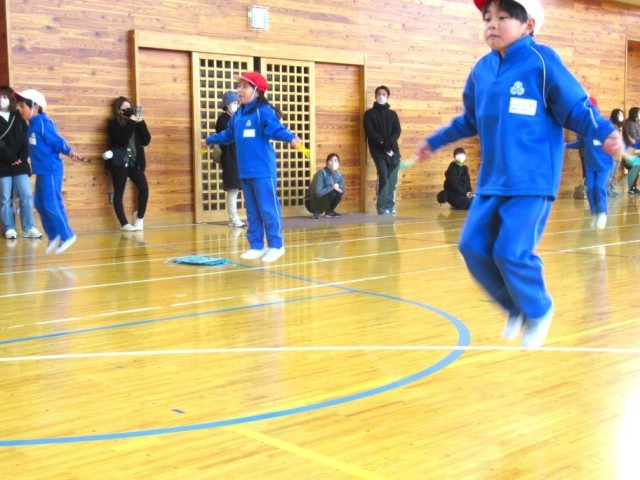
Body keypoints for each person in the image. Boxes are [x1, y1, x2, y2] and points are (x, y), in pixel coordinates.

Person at [415, 0, 624, 348]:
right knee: (471, 247)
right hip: (493, 181)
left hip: (532, 181)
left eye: (502, 17)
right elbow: (469, 119)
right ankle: (514, 307)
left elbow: (575, 107)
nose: (491, 24)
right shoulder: (481, 70)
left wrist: (605, 130)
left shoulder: (541, 61)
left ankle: (539, 308)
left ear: (528, 25)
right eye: (487, 18)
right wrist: (435, 141)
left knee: (511, 251)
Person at [202, 72, 302, 263]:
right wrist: (209, 140)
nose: (239, 90)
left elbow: (275, 128)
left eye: (244, 86)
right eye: (238, 86)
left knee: (268, 209)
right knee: (252, 211)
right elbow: (228, 135)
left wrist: (290, 137)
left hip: (263, 171)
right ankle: (256, 245)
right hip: (245, 171)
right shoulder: (238, 115)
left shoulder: (262, 111)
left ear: (257, 91)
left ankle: (276, 245)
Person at [14, 88, 84, 254]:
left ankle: (67, 235)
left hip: (51, 170)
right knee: (39, 203)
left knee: (51, 203)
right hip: (42, 171)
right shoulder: (32, 125)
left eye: (23, 106)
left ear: (36, 107)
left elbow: (57, 141)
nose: (20, 109)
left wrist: (69, 151)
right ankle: (54, 236)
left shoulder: (44, 123)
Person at [0, 86, 42, 240]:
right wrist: (11, 158)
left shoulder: (18, 117)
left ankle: (28, 227)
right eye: (0, 97)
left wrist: (22, 157)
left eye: (5, 97)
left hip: (20, 165)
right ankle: (9, 228)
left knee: (26, 195)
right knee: (5, 198)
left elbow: (27, 139)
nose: (2, 100)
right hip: (3, 165)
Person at [566, 97, 614, 229]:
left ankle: (603, 213)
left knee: (599, 186)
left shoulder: (605, 126)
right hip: (590, 164)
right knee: (591, 188)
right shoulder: (583, 129)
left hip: (604, 164)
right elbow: (581, 143)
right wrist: (565, 145)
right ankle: (595, 214)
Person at [106, 96, 151, 232]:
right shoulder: (113, 123)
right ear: (119, 110)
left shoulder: (136, 122)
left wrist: (141, 123)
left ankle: (139, 218)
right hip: (120, 162)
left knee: (144, 189)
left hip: (135, 162)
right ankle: (124, 223)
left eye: (129, 107)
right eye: (125, 108)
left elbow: (146, 141)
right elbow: (121, 140)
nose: (128, 109)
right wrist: (131, 122)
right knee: (119, 193)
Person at [363, 85, 401, 215]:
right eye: (379, 94)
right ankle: (381, 206)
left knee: (392, 180)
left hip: (393, 152)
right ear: (375, 96)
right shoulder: (369, 114)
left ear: (387, 96)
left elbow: (397, 130)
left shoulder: (393, 114)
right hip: (378, 152)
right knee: (384, 177)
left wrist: (390, 142)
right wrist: (383, 143)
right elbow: (370, 131)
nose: (381, 96)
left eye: (384, 94)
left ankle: (390, 205)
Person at [216, 91, 245, 228]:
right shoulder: (223, 120)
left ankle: (235, 218)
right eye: (234, 103)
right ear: (227, 105)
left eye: (237, 103)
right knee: (232, 189)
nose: (236, 105)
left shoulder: (236, 118)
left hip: (238, 157)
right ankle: (233, 218)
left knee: (237, 188)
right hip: (229, 157)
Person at [305, 152, 345, 219]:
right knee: (332, 193)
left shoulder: (339, 174)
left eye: (335, 160)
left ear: (338, 163)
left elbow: (343, 189)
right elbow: (317, 193)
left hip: (324, 197)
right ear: (326, 163)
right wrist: (331, 187)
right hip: (311, 201)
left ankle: (329, 211)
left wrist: (338, 188)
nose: (333, 163)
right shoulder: (321, 173)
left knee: (338, 193)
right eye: (331, 160)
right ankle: (316, 211)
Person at [607, 108, 625, 197]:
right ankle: (607, 190)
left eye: (622, 115)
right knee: (610, 173)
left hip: (618, 153)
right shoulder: (611, 125)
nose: (621, 116)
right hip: (612, 153)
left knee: (615, 173)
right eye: (620, 114)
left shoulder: (620, 126)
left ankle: (612, 189)